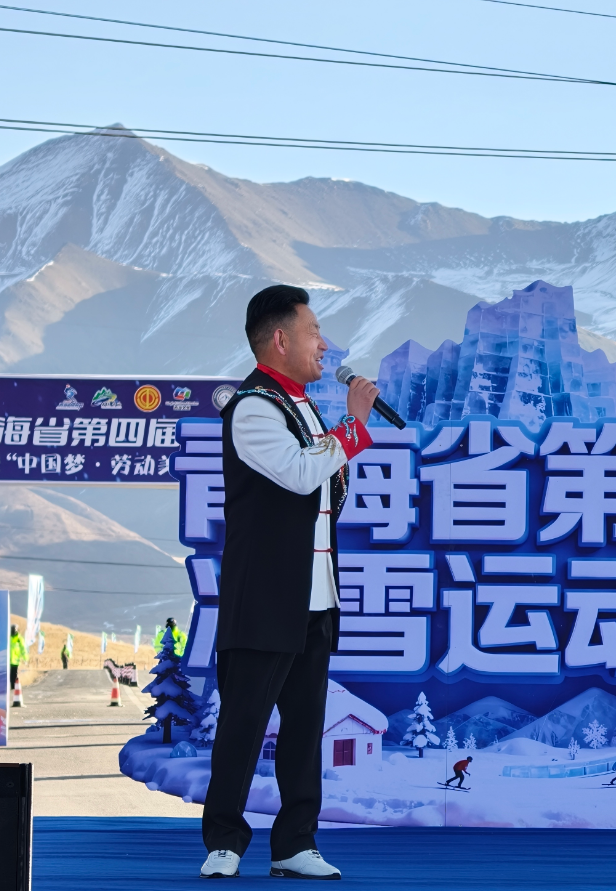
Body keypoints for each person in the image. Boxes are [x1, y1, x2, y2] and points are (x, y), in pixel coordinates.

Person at [199, 285, 378, 881]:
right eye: (313, 332)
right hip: (266, 597)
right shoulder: (254, 406)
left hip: (316, 593)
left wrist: (341, 437)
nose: (323, 345)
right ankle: (224, 840)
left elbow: (324, 489)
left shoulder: (302, 406)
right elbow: (301, 474)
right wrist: (353, 426)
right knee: (244, 722)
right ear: (280, 339)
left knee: (304, 727)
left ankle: (295, 842)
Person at [8, 625, 25, 689]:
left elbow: (23, 648)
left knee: (14, 673)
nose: (13, 630)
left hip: (15, 659)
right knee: (9, 673)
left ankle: (13, 686)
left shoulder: (19, 638)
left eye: (14, 629)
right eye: (12, 629)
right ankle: (11, 685)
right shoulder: (8, 637)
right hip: (8, 659)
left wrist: (25, 658)